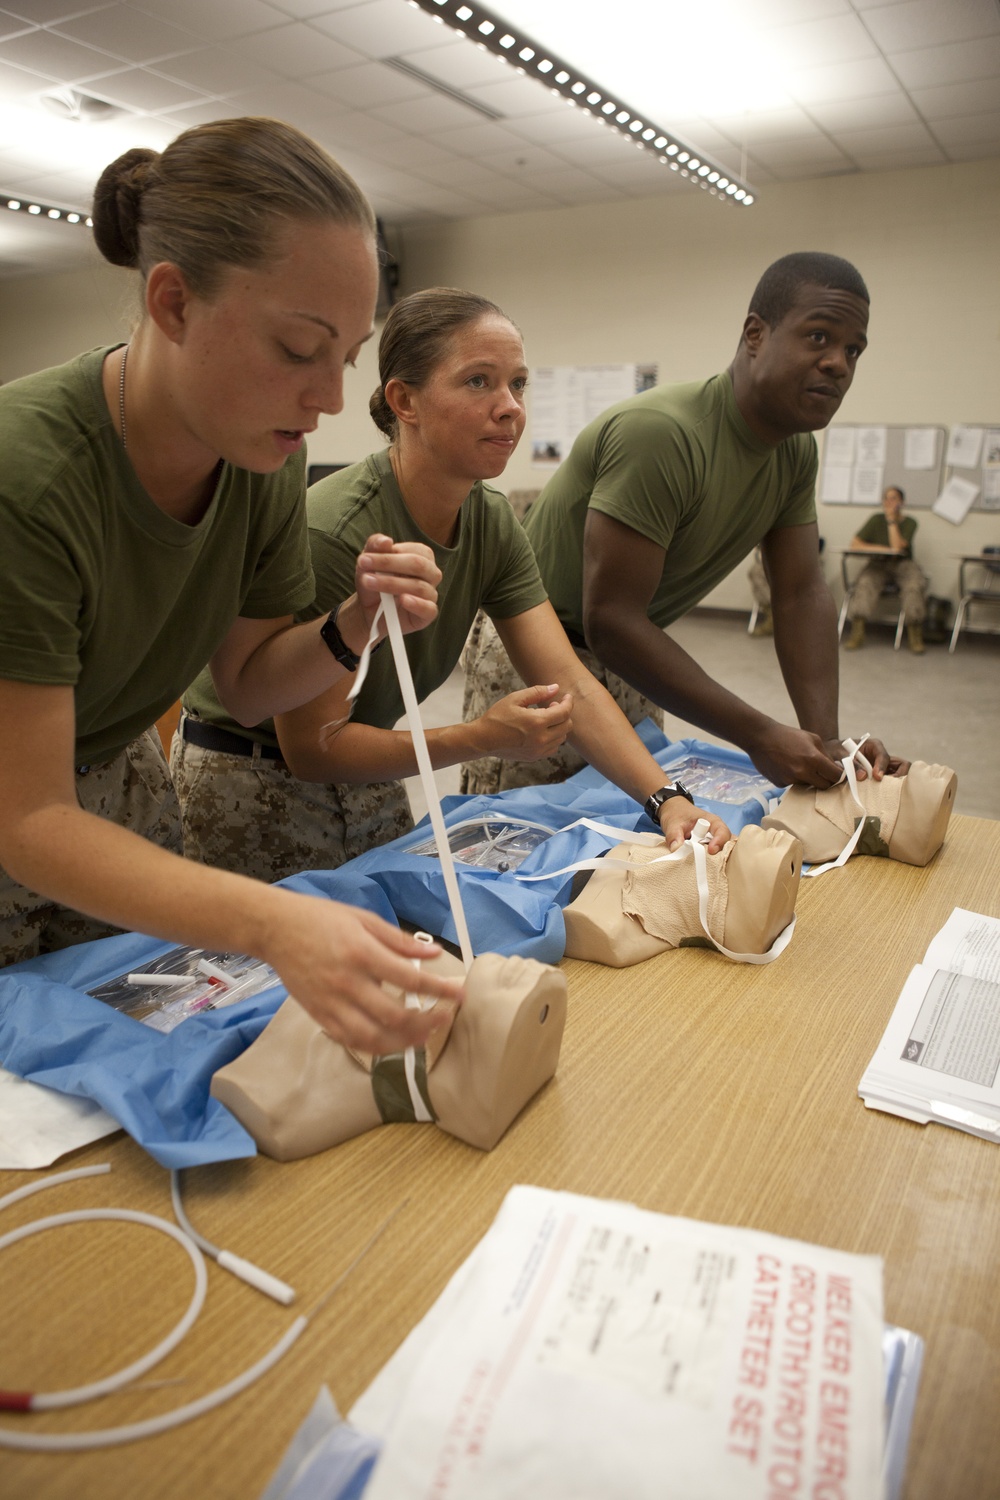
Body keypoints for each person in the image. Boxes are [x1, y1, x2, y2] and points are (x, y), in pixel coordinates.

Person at [0, 116, 464, 1053]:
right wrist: (268, 920)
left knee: (137, 1051)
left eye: (346, 358)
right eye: (299, 349)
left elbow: (251, 679)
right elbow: (29, 815)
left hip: (112, 772)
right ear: (173, 303)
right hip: (25, 800)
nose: (331, 400)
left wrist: (351, 625)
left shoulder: (263, 454)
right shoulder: (28, 476)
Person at [172, 287, 730, 878]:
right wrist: (480, 737)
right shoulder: (337, 531)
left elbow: (572, 683)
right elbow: (314, 748)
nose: (510, 406)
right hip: (251, 782)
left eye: (518, 384)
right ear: (404, 400)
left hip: (373, 762)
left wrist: (667, 801)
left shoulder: (489, 519)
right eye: (478, 382)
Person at [461, 251, 908, 799]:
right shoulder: (662, 434)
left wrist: (828, 742)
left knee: (639, 836)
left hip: (634, 655)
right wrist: (759, 734)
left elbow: (798, 593)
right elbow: (611, 619)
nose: (839, 363)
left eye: (853, 349)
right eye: (818, 337)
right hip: (538, 652)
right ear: (755, 335)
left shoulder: (794, 454)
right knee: (516, 844)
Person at [844, 486, 926, 653]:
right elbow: (855, 544)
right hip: (878, 563)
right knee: (865, 583)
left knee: (913, 586)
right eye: (886, 498)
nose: (889, 502)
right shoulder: (875, 519)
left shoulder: (910, 522)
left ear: (902, 502)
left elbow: (897, 547)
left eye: (894, 498)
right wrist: (881, 548)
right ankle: (857, 632)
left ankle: (915, 635)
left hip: (903, 564)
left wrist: (891, 520)